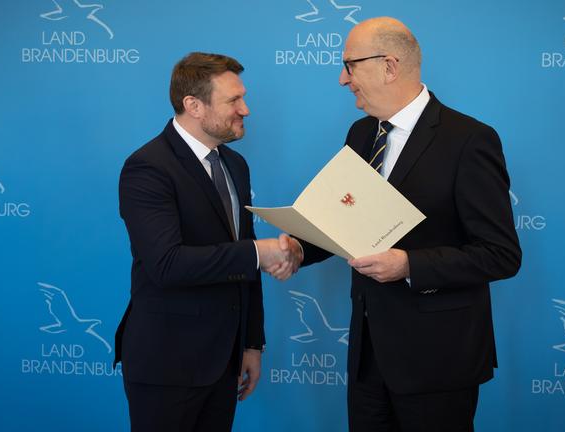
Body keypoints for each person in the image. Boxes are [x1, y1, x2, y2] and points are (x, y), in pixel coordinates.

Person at [286, 17, 522, 431]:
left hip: (439, 362)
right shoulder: (360, 134)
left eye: (350, 65)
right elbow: (348, 224)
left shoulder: (469, 140)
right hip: (368, 359)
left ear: (389, 66)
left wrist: (409, 265)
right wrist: (299, 249)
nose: (343, 79)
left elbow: (500, 254)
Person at [114, 52, 294, 432]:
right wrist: (257, 252)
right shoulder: (148, 167)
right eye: (234, 100)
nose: (245, 109)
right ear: (193, 105)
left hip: (224, 361)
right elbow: (166, 264)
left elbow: (246, 261)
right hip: (167, 364)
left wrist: (251, 343)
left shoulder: (235, 164)